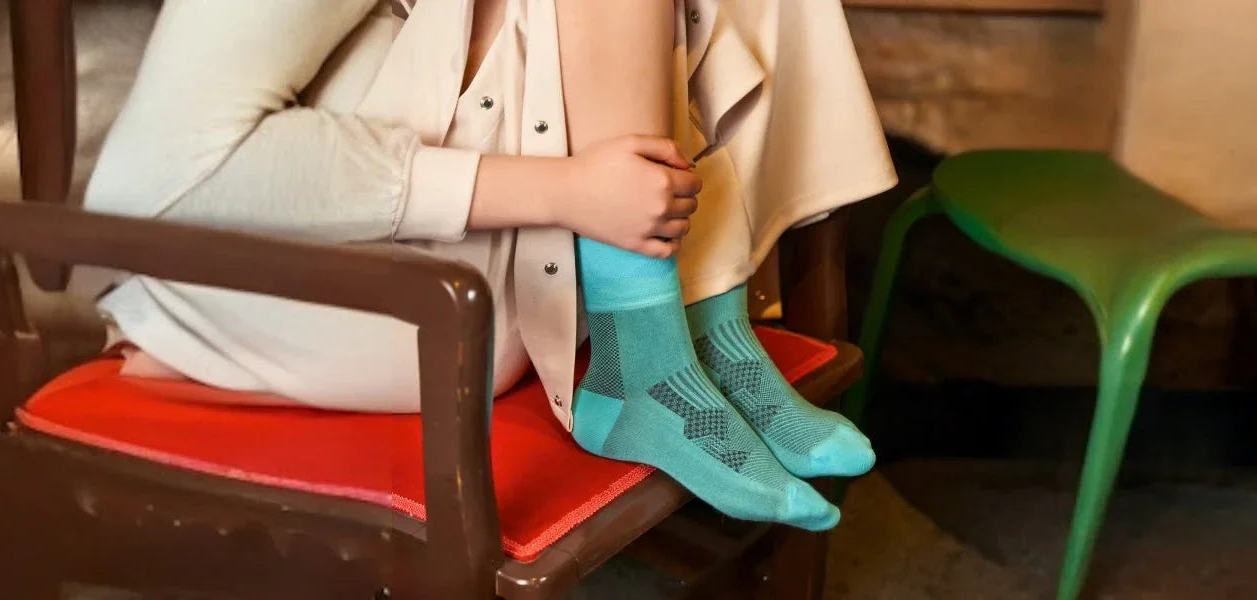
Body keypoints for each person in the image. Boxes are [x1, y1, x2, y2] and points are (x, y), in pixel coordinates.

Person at [80, 0, 895, 530]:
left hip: (496, 283)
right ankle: (647, 351)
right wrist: (563, 191)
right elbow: (156, 180)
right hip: (348, 301)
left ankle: (693, 325)